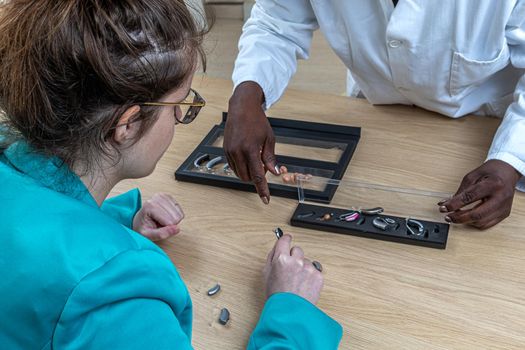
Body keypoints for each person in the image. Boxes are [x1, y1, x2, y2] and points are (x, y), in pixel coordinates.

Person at [0, 1, 342, 348]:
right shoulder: (116, 300)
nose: (180, 116)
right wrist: (292, 311)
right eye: (179, 105)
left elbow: (35, 233)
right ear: (128, 124)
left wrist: (114, 224)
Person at [224, 0, 525, 230]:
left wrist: (512, 159)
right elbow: (276, 22)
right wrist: (249, 91)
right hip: (376, 109)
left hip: (481, 123)